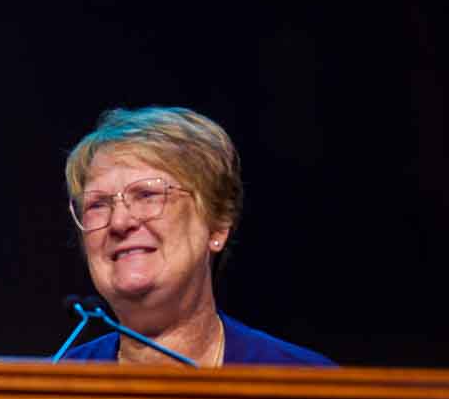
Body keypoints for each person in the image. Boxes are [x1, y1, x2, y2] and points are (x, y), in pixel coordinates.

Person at [60, 106, 335, 367]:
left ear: (217, 227)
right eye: (97, 204)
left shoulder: (307, 387)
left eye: (148, 195)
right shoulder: (50, 391)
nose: (119, 222)